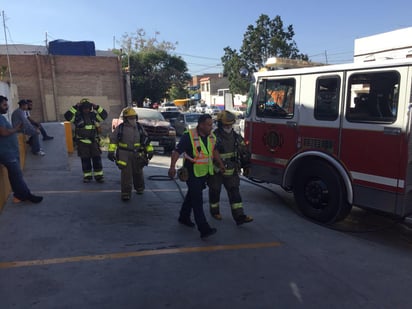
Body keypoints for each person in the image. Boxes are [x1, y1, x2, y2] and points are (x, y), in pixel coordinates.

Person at [168, 114, 224, 239]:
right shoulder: (189, 136)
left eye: (212, 124)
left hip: (204, 173)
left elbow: (214, 151)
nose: (211, 127)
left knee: (191, 196)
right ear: (201, 125)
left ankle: (184, 217)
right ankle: (204, 228)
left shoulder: (211, 136)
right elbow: (177, 152)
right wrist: (172, 167)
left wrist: (220, 164)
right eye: (209, 125)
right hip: (191, 172)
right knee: (197, 200)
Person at [207, 110, 253, 225]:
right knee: (215, 190)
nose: (228, 127)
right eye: (226, 125)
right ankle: (214, 211)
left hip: (232, 170)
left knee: (235, 192)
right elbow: (210, 153)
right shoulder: (214, 137)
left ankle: (239, 216)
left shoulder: (236, 137)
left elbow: (244, 152)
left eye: (230, 124)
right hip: (216, 170)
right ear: (220, 124)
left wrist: (246, 165)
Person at [0, 95, 43, 203]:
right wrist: (16, 129)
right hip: (6, 153)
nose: (7, 107)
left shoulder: (2, 117)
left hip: (10, 151)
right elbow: (4, 132)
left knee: (14, 175)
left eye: (7, 104)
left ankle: (18, 195)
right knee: (17, 175)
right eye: (4, 104)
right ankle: (26, 195)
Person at [108, 107, 154, 201]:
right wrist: (111, 151)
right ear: (125, 118)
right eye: (130, 117)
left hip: (138, 154)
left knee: (138, 172)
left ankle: (140, 188)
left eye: (133, 117)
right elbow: (113, 140)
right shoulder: (120, 128)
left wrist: (150, 151)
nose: (132, 119)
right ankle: (126, 193)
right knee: (126, 174)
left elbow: (146, 141)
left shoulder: (139, 127)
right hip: (124, 154)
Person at [64, 98, 108, 183]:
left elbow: (104, 115)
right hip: (82, 142)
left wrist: (97, 107)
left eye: (88, 107)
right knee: (85, 160)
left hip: (94, 142)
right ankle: (87, 176)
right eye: (84, 107)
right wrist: (75, 107)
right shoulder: (77, 116)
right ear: (81, 108)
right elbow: (67, 116)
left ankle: (99, 176)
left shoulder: (94, 116)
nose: (86, 109)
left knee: (97, 159)